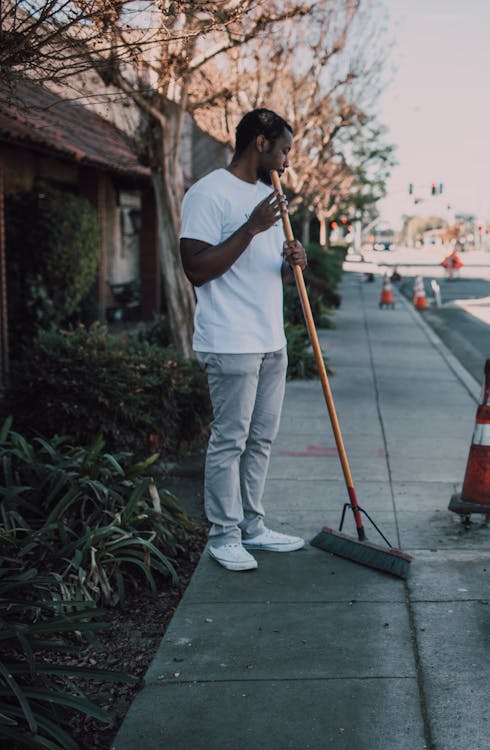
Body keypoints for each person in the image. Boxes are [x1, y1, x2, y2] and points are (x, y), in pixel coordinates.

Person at [179, 108, 308, 572]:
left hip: (270, 338)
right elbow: (196, 268)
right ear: (260, 143)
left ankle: (253, 526)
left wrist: (294, 262)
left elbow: (263, 272)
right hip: (230, 339)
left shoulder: (269, 196)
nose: (288, 162)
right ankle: (224, 534)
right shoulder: (208, 193)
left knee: (262, 439)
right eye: (285, 151)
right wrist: (252, 227)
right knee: (230, 440)